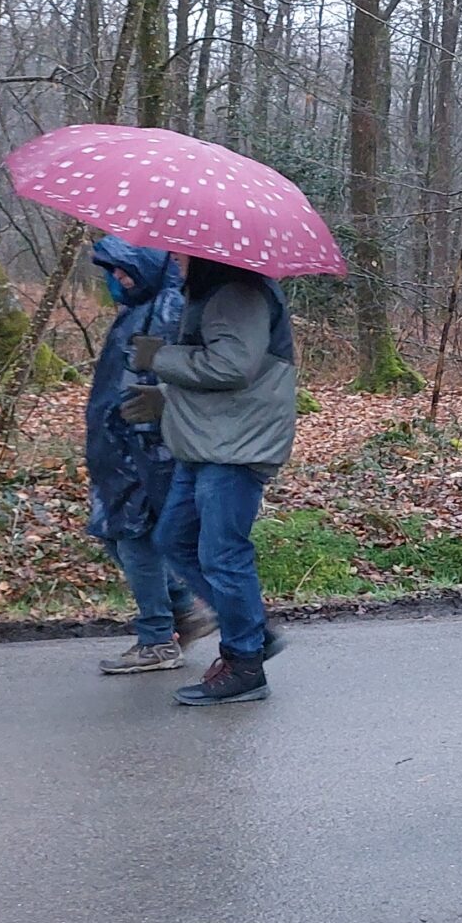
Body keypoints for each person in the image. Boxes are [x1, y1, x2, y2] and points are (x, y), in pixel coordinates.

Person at [126, 255, 297, 706]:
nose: (175, 261)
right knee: (174, 539)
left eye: (181, 253)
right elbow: (226, 368)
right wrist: (167, 398)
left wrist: (160, 358)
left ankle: (244, 664)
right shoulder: (215, 292)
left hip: (235, 447)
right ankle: (251, 632)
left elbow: (232, 366)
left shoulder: (238, 292)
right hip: (209, 441)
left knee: (222, 553)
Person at [86, 237, 213, 675]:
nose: (118, 279)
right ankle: (184, 610)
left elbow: (181, 374)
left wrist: (150, 422)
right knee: (114, 533)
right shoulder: (140, 307)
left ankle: (158, 638)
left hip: (145, 447)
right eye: (113, 272)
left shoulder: (167, 307)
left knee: (132, 535)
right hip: (121, 445)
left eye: (125, 270)